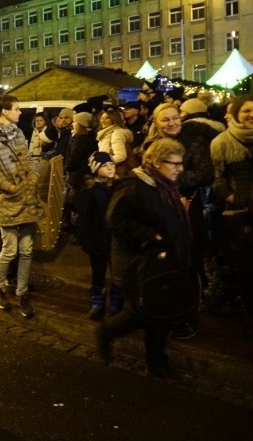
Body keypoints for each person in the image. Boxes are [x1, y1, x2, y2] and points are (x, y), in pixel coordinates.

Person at [99, 138, 192, 381]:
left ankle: (156, 363)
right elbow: (115, 220)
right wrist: (150, 236)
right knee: (142, 312)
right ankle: (108, 332)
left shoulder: (163, 185)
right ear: (155, 162)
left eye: (181, 163)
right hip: (140, 263)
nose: (179, 169)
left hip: (162, 261)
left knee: (158, 313)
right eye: (175, 164)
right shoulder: (134, 185)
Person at [143, 102, 219, 339]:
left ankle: (189, 318)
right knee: (168, 263)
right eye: (165, 119)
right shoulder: (152, 144)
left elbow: (206, 174)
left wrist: (171, 178)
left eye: (174, 117)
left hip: (188, 206)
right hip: (162, 208)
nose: (171, 123)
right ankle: (172, 313)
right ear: (157, 123)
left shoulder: (194, 137)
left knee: (189, 263)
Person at [0, 95, 45, 318]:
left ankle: (22, 294)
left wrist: (32, 178)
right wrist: (7, 186)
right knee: (10, 249)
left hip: (27, 199)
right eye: (16, 108)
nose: (20, 112)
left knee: (26, 250)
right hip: (7, 201)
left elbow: (26, 162)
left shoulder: (19, 133)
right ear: (4, 111)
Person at [209, 94, 253, 335]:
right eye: (246, 111)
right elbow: (217, 177)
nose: (251, 115)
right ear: (235, 113)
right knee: (246, 267)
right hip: (240, 213)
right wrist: (231, 198)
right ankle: (249, 312)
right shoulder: (222, 142)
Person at [76, 151, 120, 319]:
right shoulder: (90, 192)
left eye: (111, 164)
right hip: (99, 240)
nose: (110, 168)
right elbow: (85, 219)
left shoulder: (118, 187)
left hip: (115, 239)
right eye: (105, 166)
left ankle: (116, 303)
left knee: (117, 273)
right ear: (95, 169)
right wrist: (86, 241)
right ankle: (98, 302)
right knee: (98, 272)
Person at [62, 112, 99, 231]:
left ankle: (80, 230)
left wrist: (67, 167)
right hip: (86, 174)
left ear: (81, 124)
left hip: (77, 175)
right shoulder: (92, 137)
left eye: (75, 122)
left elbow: (74, 158)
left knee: (77, 203)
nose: (73, 124)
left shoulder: (80, 139)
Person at [96, 107, 134, 177]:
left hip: (115, 173)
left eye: (107, 118)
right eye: (102, 118)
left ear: (114, 120)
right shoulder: (105, 133)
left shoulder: (116, 133)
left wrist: (104, 163)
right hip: (109, 172)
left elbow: (121, 156)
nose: (103, 120)